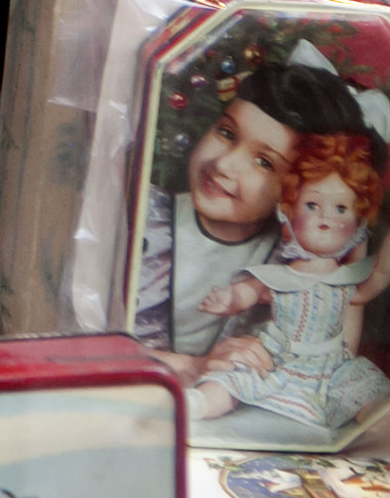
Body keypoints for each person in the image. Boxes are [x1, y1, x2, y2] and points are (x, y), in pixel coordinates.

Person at [134, 61, 371, 370]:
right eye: (227, 132)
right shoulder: (146, 216)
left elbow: (333, 363)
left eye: (264, 162)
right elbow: (89, 338)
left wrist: (349, 244)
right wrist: (194, 366)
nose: (225, 164)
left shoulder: (290, 261)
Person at [191, 132, 390, 431]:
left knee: (364, 389)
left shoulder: (347, 282)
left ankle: (378, 426)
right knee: (234, 375)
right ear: (290, 211)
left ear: (356, 226)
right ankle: (197, 403)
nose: (325, 216)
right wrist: (229, 299)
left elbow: (378, 278)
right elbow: (250, 291)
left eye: (341, 208)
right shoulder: (282, 276)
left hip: (330, 367)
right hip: (275, 359)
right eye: (312, 205)